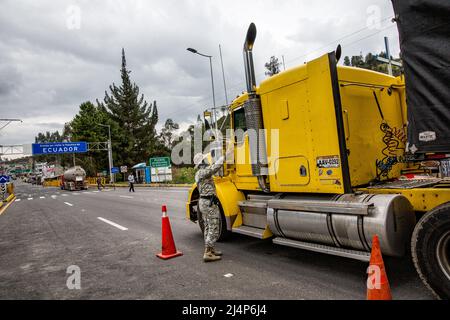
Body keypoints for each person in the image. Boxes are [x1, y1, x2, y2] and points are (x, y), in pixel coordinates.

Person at [194, 148, 232, 262]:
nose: (206, 161)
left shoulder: (200, 173)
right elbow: (214, 168)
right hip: (207, 203)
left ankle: (211, 249)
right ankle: (208, 253)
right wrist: (225, 157)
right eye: (204, 160)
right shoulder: (202, 172)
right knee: (214, 226)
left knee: (207, 226)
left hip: (205, 202)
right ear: (201, 163)